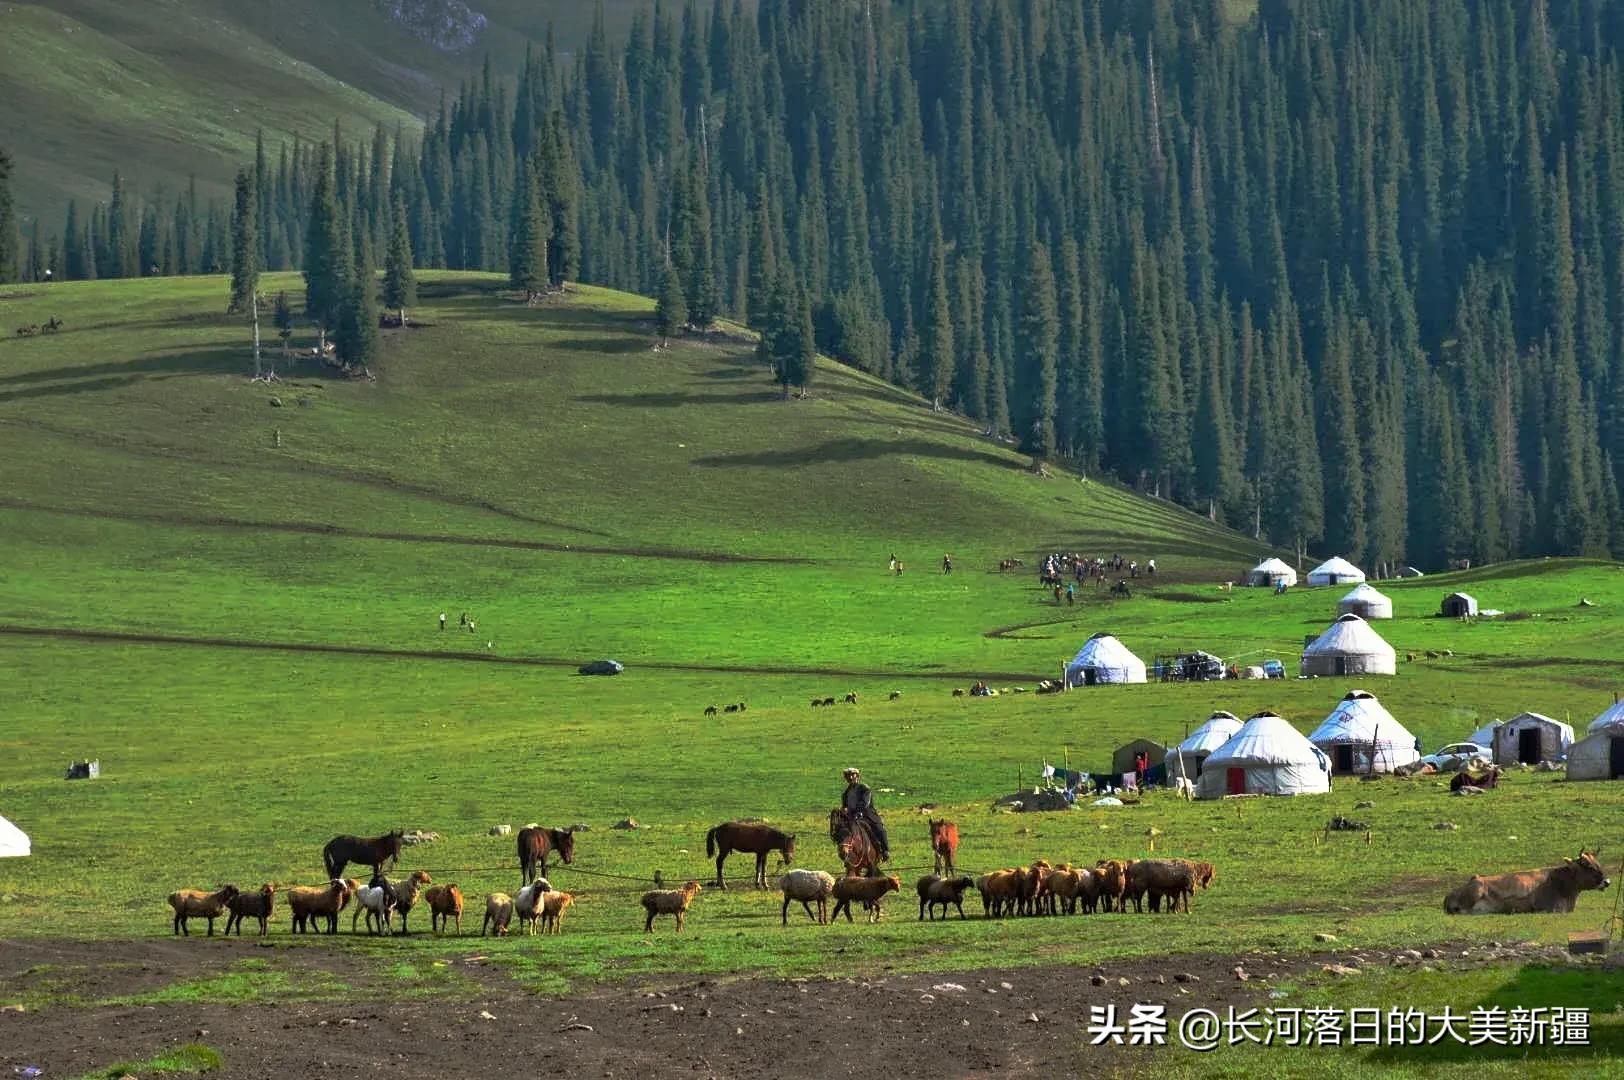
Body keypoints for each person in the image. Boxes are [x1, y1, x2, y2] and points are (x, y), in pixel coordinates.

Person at [841, 768, 889, 861]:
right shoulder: (845, 793)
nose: (850, 777)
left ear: (857, 776)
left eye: (852, 775)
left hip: (866, 814)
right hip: (851, 817)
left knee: (879, 828)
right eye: (848, 776)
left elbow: (865, 803)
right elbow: (845, 806)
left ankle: (885, 850)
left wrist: (857, 813)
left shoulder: (864, 788)